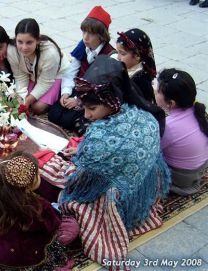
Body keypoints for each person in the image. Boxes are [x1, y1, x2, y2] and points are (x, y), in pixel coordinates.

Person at [51, 55, 171, 269]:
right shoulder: (145, 115)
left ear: (112, 100)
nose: (86, 115)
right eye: (84, 107)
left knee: (50, 175)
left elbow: (80, 187)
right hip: (144, 194)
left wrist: (71, 166)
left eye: (92, 109)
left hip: (118, 201)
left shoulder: (99, 139)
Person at [0, 151, 78, 270]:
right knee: (71, 225)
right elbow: (53, 225)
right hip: (27, 256)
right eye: (37, 174)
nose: (39, 176)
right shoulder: (40, 206)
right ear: (29, 185)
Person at [48, 6, 116, 135]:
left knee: (68, 120)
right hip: (77, 87)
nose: (85, 37)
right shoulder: (83, 45)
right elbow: (71, 71)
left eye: (90, 34)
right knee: (54, 114)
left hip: (92, 96)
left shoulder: (110, 55)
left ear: (102, 36)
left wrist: (78, 100)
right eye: (84, 32)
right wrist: (66, 93)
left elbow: (102, 87)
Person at [155, 68, 208, 195]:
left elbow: (153, 151)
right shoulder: (199, 111)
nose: (154, 93)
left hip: (182, 177)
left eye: (157, 91)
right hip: (200, 167)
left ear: (171, 103)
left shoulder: (169, 126)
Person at [7, 18, 70, 115]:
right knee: (16, 100)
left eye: (29, 42)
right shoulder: (12, 50)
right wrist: (21, 96)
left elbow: (45, 82)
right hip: (32, 75)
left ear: (37, 40)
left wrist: (27, 101)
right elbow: (20, 76)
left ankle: (57, 93)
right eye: (20, 42)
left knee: (37, 107)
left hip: (54, 76)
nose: (24, 48)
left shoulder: (50, 54)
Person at [116, 28, 156, 103]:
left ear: (137, 55)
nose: (118, 57)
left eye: (122, 53)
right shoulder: (128, 70)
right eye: (117, 52)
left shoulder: (141, 80)